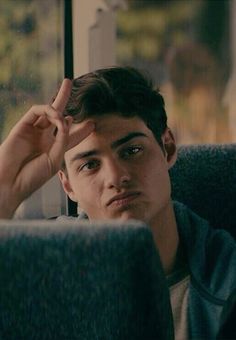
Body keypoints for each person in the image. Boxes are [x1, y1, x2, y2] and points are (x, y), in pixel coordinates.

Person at [0, 66, 235, 339]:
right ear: (67, 185)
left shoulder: (228, 281)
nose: (116, 177)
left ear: (167, 148)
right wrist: (5, 191)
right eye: (89, 165)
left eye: (132, 150)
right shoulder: (44, 270)